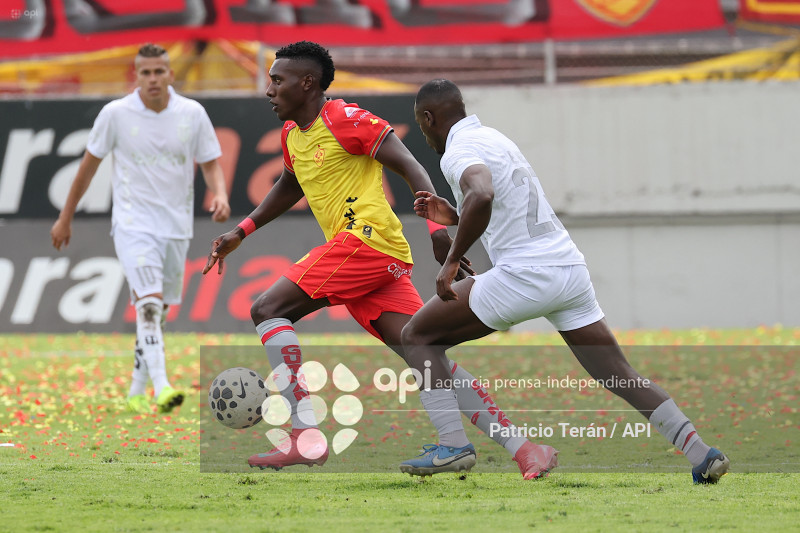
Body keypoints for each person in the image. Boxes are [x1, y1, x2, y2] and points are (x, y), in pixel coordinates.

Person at [202, 41, 557, 478]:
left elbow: (411, 166)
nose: (269, 89)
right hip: (374, 259)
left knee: (267, 309)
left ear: (307, 83)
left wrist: (437, 230)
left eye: (277, 80)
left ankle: (304, 438)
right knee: (420, 347)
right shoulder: (294, 135)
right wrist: (242, 231)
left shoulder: (346, 119)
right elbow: (290, 185)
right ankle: (521, 448)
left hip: (364, 243)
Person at [399, 78, 730, 484]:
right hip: (568, 270)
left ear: (429, 118)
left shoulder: (458, 151)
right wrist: (454, 215)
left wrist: (450, 261)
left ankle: (452, 444)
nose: (424, 133)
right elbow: (491, 199)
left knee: (417, 337)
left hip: (524, 274)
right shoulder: (495, 139)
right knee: (618, 373)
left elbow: (482, 195)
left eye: (420, 124)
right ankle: (703, 454)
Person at [51, 43, 231, 415]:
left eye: (159, 71)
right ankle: (162, 387)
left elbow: (211, 162)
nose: (152, 78)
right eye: (145, 72)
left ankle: (135, 389)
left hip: (175, 227)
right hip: (133, 224)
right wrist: (65, 216)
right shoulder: (115, 114)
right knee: (148, 302)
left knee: (157, 311)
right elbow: (87, 168)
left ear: (170, 74)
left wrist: (220, 194)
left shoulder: (192, 113)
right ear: (137, 75)